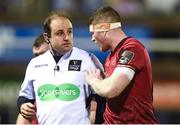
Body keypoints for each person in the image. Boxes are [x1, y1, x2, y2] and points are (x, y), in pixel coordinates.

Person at [16, 10, 104, 124]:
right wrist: (23, 105)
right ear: (47, 37)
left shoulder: (88, 60)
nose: (67, 37)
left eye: (70, 32)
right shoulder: (34, 64)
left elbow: (102, 99)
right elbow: (25, 97)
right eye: (60, 33)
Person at [85, 6, 158, 124]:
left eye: (93, 33)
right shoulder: (110, 58)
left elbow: (111, 89)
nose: (93, 39)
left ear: (103, 29)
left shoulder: (132, 48)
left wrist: (94, 81)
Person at [16, 34, 49, 124]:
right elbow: (24, 98)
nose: (39, 59)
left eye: (43, 54)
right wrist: (23, 106)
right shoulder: (34, 68)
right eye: (36, 55)